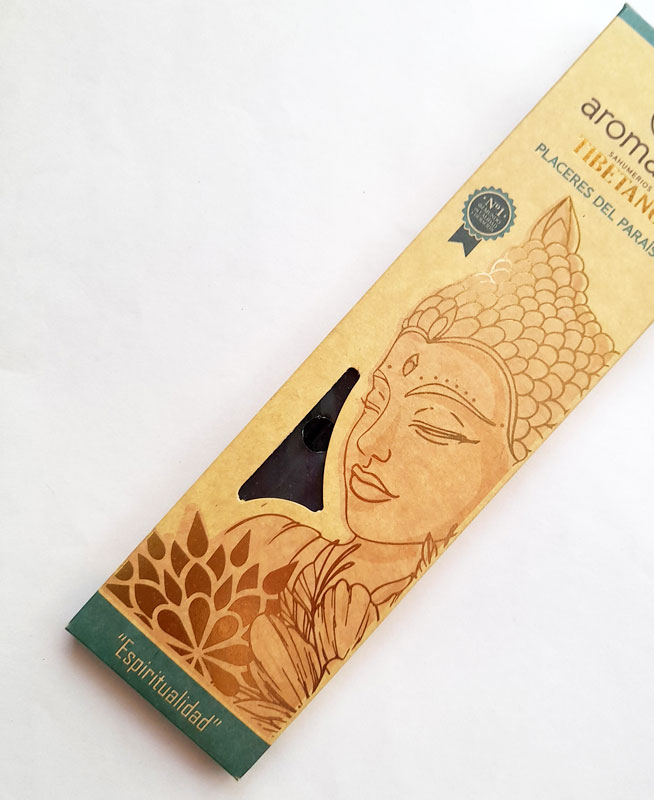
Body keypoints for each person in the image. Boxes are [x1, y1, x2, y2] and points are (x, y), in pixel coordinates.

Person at [106, 196, 617, 740]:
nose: (369, 444)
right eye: (375, 402)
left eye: (433, 426)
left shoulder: (428, 636)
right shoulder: (261, 542)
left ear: (509, 466)